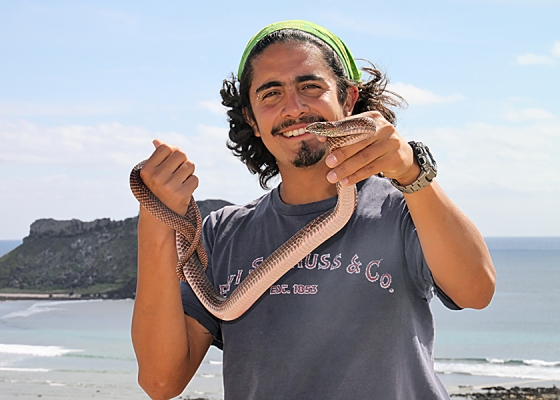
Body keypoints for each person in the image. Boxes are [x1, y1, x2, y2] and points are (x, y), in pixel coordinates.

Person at [131, 20, 496, 400]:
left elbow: (476, 291)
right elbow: (160, 381)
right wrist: (155, 217)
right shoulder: (223, 234)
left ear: (349, 99)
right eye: (271, 94)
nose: (294, 107)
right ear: (252, 120)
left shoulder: (403, 207)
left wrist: (414, 174)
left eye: (310, 86)